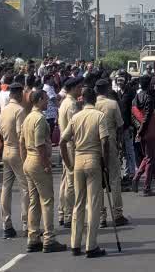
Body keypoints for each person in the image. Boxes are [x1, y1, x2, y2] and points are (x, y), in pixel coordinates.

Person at [61, 82, 109, 258]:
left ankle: (75, 244)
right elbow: (104, 141)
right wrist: (104, 162)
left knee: (78, 204)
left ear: (82, 100)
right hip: (93, 159)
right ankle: (91, 245)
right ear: (95, 99)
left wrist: (68, 162)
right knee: (94, 203)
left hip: (78, 160)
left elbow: (62, 141)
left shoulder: (76, 117)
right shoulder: (99, 116)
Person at [23, 88, 67, 253]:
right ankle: (49, 238)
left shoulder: (28, 117)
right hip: (38, 160)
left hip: (29, 160)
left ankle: (33, 237)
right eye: (46, 98)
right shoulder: (40, 119)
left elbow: (22, 142)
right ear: (40, 99)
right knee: (47, 201)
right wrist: (46, 164)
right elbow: (40, 144)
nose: (48, 101)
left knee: (34, 201)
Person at [0, 81, 27, 239]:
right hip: (17, 150)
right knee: (25, 187)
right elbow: (21, 135)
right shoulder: (19, 111)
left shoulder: (4, 110)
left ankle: (6, 223)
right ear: (18, 93)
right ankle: (27, 223)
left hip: (6, 149)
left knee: (6, 188)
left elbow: (1, 132)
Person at [94, 79, 127, 225]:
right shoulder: (112, 104)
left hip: (95, 145)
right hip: (111, 142)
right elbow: (120, 125)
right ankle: (117, 214)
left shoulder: (91, 105)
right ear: (107, 89)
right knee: (114, 179)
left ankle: (101, 216)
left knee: (98, 182)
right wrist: (120, 144)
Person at [57, 77, 82, 225]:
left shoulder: (64, 102)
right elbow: (75, 128)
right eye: (79, 87)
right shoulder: (71, 104)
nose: (80, 90)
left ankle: (62, 212)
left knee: (65, 181)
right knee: (71, 182)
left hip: (65, 144)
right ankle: (68, 214)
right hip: (70, 145)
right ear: (73, 88)